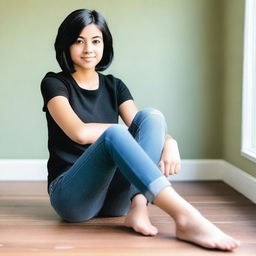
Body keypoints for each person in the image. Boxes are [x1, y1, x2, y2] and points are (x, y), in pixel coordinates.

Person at [40, 9, 239, 251]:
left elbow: (143, 126)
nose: (88, 49)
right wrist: (119, 133)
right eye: (79, 41)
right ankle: (185, 216)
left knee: (152, 116)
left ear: (105, 44)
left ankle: (139, 206)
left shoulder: (115, 85)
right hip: (72, 197)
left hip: (115, 200)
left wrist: (170, 141)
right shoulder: (54, 83)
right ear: (66, 44)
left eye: (96, 41)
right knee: (115, 134)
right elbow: (79, 132)